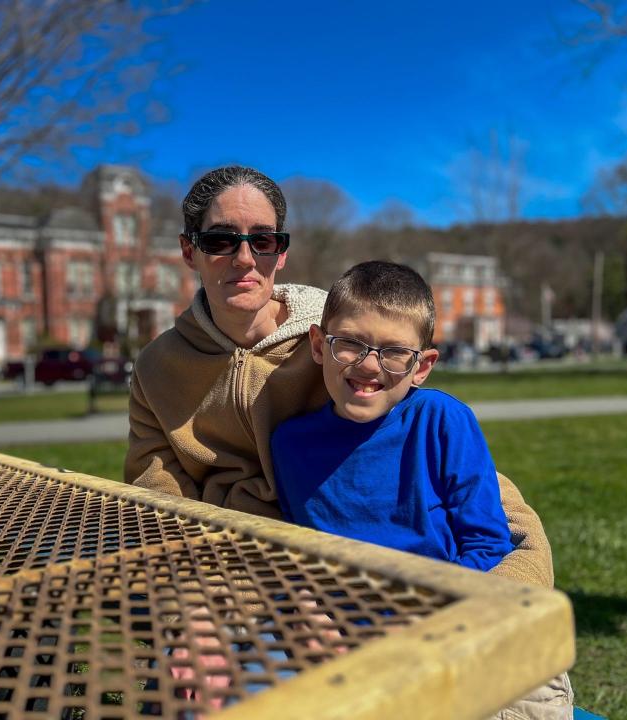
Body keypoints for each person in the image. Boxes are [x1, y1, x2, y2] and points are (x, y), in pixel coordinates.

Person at [124, 166, 572, 716]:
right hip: (253, 583)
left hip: (397, 599)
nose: (244, 259)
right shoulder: (155, 370)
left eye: (262, 240)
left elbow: (452, 476)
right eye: (220, 240)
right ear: (189, 252)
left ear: (281, 252)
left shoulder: (351, 332)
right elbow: (155, 509)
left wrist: (497, 596)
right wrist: (190, 615)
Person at [271, 260, 514, 570]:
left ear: (422, 367)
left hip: (435, 608)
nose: (370, 365)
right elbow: (295, 554)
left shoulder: (441, 421)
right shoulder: (289, 444)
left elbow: (488, 544)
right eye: (349, 342)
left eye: (396, 351)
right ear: (318, 346)